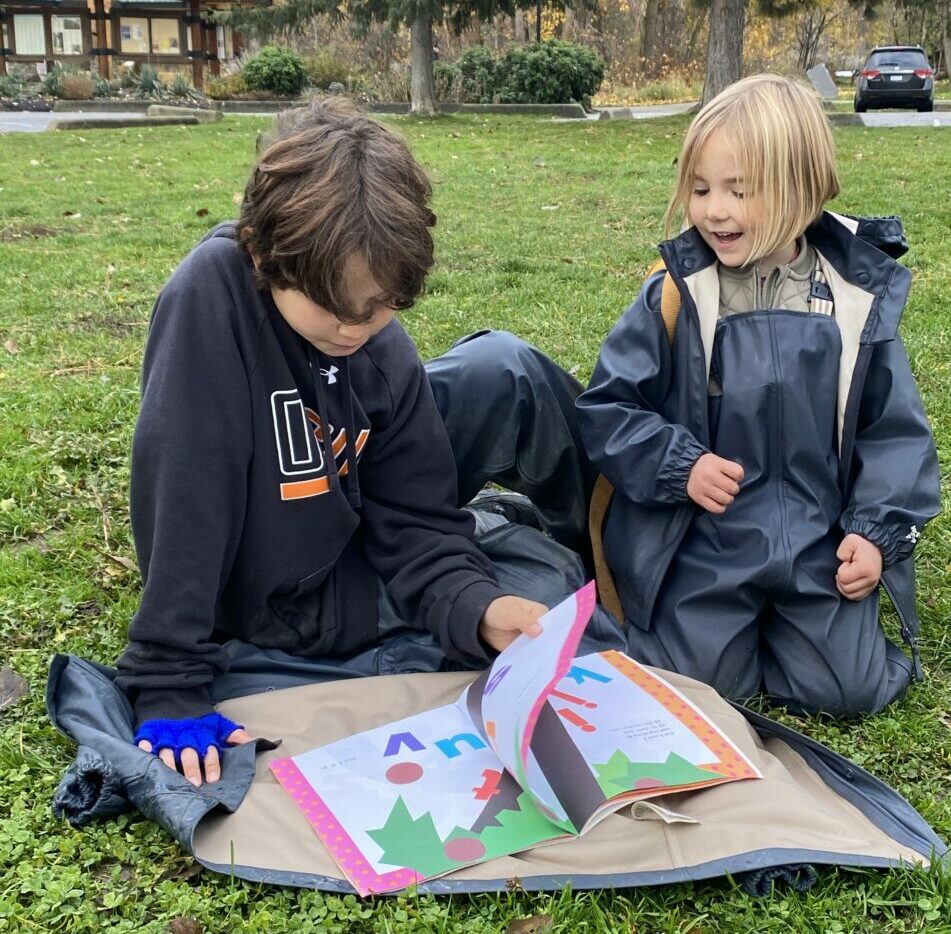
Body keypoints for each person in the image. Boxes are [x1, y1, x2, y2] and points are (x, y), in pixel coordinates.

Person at [117, 99, 605, 788]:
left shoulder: (382, 349)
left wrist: (474, 606)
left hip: (350, 563)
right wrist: (168, 677)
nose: (356, 329)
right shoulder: (211, 300)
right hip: (273, 598)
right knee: (527, 581)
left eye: (379, 307)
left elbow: (414, 517)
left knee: (538, 586)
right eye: (335, 307)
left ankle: (480, 582)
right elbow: (187, 497)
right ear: (263, 251)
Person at [576, 74, 940, 718]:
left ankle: (798, 634)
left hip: (816, 540)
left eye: (740, 191)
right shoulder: (674, 294)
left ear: (803, 192)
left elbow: (894, 433)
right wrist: (678, 464)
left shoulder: (855, 299)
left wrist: (874, 535)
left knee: (847, 693)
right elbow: (608, 409)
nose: (715, 209)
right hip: (709, 542)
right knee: (699, 693)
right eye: (700, 189)